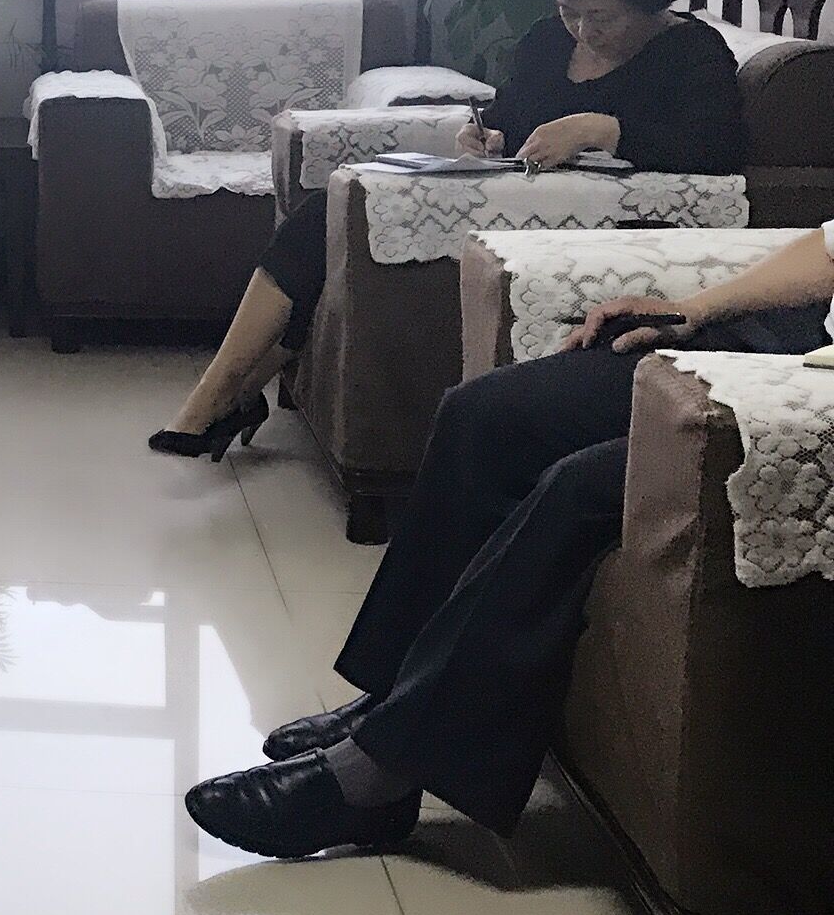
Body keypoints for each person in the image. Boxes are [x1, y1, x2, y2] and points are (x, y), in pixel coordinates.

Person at [185, 220, 834, 858]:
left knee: (579, 487)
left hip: (817, 397)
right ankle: (393, 695)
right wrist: (695, 309)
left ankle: (379, 774)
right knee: (485, 416)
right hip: (794, 346)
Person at [152, 0, 745, 458]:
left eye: (602, 17)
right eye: (570, 10)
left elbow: (714, 149)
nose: (583, 30)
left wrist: (602, 128)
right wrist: (484, 137)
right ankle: (227, 390)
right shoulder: (547, 41)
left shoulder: (691, 52)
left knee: (337, 220)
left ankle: (227, 396)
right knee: (331, 210)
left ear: (651, 1)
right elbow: (508, 119)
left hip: (578, 225)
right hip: (504, 193)